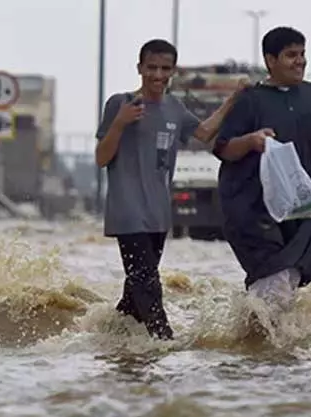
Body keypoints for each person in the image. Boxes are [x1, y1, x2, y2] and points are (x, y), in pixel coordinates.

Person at [95, 39, 247, 340]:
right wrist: (119, 124)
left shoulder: (174, 108)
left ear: (172, 72)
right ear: (140, 68)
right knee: (148, 282)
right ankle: (164, 343)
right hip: (127, 213)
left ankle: (112, 340)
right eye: (151, 67)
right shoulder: (120, 103)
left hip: (158, 215)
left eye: (165, 68)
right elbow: (101, 158)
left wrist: (233, 100)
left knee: (135, 290)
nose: (157, 74)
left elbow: (204, 133)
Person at [212, 27, 311, 317]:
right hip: (251, 209)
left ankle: (255, 345)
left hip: (299, 206)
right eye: (291, 55)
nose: (300, 61)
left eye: (303, 54)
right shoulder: (250, 100)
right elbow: (223, 148)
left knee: (289, 277)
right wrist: (251, 141)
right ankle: (263, 348)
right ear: (270, 60)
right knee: (273, 276)